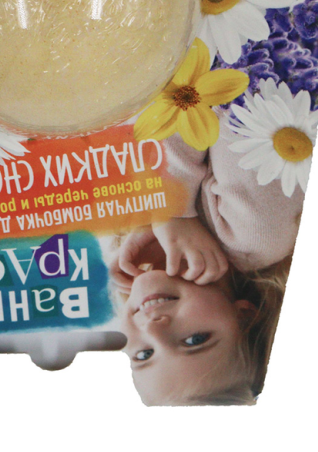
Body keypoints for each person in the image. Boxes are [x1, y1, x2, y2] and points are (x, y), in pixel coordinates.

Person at [109, 120, 304, 405]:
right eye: (195, 340)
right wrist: (172, 208)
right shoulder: (257, 231)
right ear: (245, 317)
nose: (153, 328)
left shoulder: (136, 227)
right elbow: (230, 99)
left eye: (143, 355)